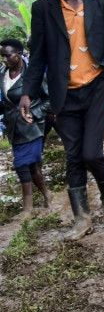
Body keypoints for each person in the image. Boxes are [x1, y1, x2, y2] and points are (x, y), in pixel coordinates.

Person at [20, 0, 104, 239]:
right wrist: (27, 94)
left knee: (91, 152)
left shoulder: (103, 2)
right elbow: (38, 55)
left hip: (96, 87)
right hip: (63, 93)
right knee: (73, 156)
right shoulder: (43, 6)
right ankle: (81, 219)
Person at [1, 39, 51, 219]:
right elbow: (5, 102)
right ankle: (47, 194)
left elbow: (51, 99)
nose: (4, 60)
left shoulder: (34, 75)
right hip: (13, 128)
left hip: (32, 127)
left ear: (20, 54)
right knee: (30, 167)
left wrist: (35, 113)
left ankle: (27, 208)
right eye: (2, 56)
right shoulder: (2, 74)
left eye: (8, 56)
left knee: (21, 164)